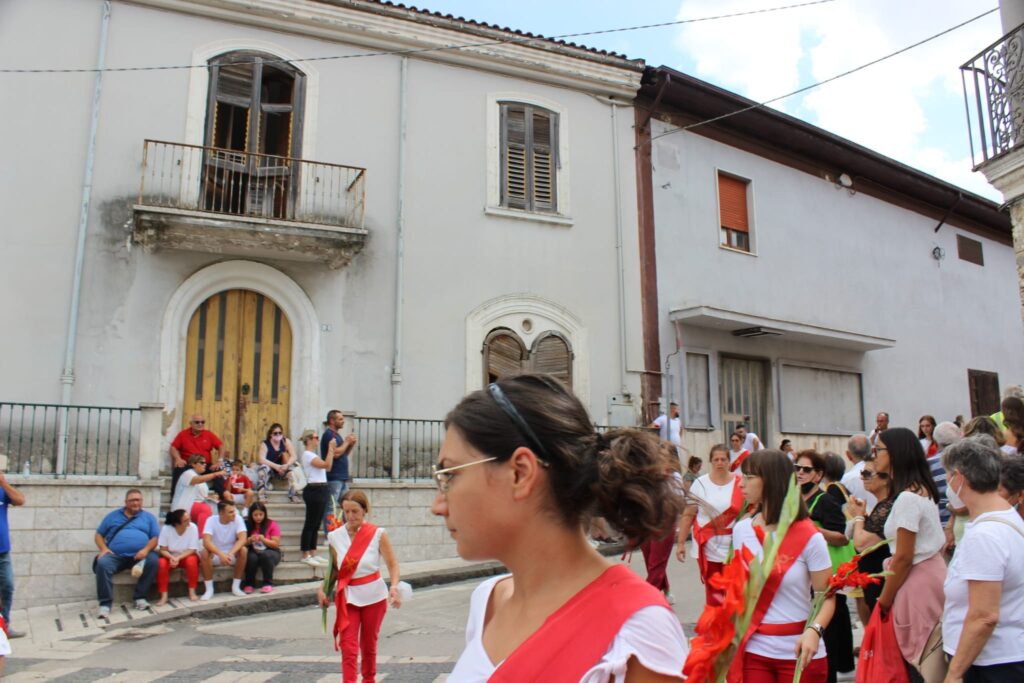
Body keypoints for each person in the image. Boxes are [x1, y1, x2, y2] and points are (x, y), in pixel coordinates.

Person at [434, 374, 688, 681]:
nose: (438, 505)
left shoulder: (638, 631)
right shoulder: (487, 602)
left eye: (449, 475)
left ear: (520, 473)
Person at [731, 450, 834, 683]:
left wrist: (814, 630)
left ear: (770, 480)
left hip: (800, 651)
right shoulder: (741, 530)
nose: (740, 484)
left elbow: (827, 597)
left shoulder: (810, 537)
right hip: (754, 650)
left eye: (748, 477)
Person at [941, 437, 1024, 681]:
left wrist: (954, 673)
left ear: (959, 477)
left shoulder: (986, 534)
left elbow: (984, 616)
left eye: (948, 476)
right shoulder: (1004, 517)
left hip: (991, 663)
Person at [872, 427, 947, 682]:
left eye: (878, 449)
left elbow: (903, 557)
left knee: (923, 660)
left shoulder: (907, 498)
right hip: (929, 575)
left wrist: (884, 600)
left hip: (916, 582)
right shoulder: (921, 489)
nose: (874, 456)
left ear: (894, 454)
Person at [318, 490, 402, 683]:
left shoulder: (377, 534)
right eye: (346, 511)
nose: (350, 516)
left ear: (365, 510)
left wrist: (394, 587)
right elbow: (334, 570)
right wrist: (323, 588)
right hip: (347, 596)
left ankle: (369, 679)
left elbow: (392, 564)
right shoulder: (335, 537)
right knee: (348, 647)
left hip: (374, 595)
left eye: (355, 511)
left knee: (369, 645)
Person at [795, 450, 855, 683]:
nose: (800, 472)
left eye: (806, 469)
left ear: (818, 474)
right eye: (797, 468)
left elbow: (842, 536)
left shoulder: (826, 500)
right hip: (803, 573)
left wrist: (813, 531)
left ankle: (834, 671)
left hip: (825, 571)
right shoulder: (795, 497)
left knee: (829, 629)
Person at [676, 444, 743, 606]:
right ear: (711, 462)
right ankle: (715, 629)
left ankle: (733, 629)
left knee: (735, 595)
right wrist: (681, 543)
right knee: (714, 595)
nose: (720, 463)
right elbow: (688, 514)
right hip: (709, 547)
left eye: (723, 459)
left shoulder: (741, 482)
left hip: (735, 547)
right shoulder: (700, 484)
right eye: (716, 459)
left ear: (729, 461)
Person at [94, 489, 160, 617]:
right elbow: (99, 535)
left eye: (138, 500)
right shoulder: (113, 516)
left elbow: (155, 538)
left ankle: (140, 598)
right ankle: (105, 604)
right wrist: (103, 549)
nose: (136, 503)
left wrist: (145, 550)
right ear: (126, 502)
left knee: (153, 561)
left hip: (140, 556)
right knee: (102, 563)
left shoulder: (148, 517)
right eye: (132, 500)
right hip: (116, 555)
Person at [846, 458, 894, 614]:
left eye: (867, 473)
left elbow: (861, 543)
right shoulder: (882, 505)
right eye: (862, 473)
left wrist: (859, 517)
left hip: (882, 586)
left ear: (885, 478)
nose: (862, 478)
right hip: (874, 583)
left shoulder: (888, 506)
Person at [640, 450, 682, 604]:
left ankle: (646, 598)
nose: (661, 459)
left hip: (664, 523)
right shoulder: (649, 475)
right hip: (647, 522)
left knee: (656, 562)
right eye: (660, 455)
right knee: (649, 559)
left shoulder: (675, 478)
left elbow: (676, 502)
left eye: (665, 456)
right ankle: (667, 590)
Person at [199, 500, 248, 600]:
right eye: (230, 512)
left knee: (243, 550)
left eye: (234, 511)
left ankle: (236, 587)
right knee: (204, 552)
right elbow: (206, 542)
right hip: (216, 554)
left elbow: (243, 539)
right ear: (221, 513)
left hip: (231, 554)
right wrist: (221, 554)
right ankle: (209, 589)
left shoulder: (238, 519)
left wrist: (230, 554)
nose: (234, 514)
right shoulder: (211, 520)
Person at [301, 429, 336, 566]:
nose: (318, 440)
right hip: (314, 489)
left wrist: (330, 451)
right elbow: (327, 465)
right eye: (316, 437)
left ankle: (313, 552)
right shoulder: (307, 454)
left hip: (321, 488)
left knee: (316, 524)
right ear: (309, 439)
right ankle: (305, 553)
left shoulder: (313, 455)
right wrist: (331, 449)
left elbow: (328, 467)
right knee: (310, 523)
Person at [170, 455, 225, 539]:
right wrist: (216, 474)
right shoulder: (188, 473)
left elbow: (200, 495)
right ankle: (201, 537)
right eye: (202, 463)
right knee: (205, 509)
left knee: (222, 507)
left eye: (205, 463)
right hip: (184, 506)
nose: (205, 465)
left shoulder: (199, 476)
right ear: (193, 464)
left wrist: (211, 496)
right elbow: (197, 480)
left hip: (196, 504)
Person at [322, 411, 357, 534]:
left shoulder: (337, 435)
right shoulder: (328, 435)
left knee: (346, 506)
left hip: (342, 477)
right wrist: (347, 441)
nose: (343, 421)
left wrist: (350, 444)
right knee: (331, 507)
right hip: (334, 477)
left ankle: (344, 533)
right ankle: (329, 535)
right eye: (340, 419)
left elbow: (343, 454)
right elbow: (335, 453)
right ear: (332, 421)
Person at [0, 465, 25, 638]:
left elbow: (20, 500)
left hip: (2, 551)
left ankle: (4, 627)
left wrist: (4, 483)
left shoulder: (3, 490)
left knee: (7, 586)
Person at [155, 509, 200, 605]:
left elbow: (192, 549)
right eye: (185, 520)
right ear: (177, 523)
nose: (189, 522)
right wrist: (172, 557)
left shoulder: (193, 527)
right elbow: (163, 549)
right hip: (170, 556)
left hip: (186, 555)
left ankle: (192, 591)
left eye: (189, 519)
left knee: (192, 561)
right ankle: (164, 596)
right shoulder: (166, 529)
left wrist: (178, 558)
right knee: (162, 564)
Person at [169, 414, 222, 494]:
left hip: (204, 465)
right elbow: (173, 448)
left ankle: (222, 497)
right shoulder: (183, 434)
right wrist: (178, 459)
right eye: (197, 422)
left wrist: (219, 461)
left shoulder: (209, 434)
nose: (200, 424)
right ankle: (175, 496)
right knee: (178, 469)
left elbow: (221, 446)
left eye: (202, 422)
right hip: (189, 465)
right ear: (191, 424)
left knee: (218, 470)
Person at [243, 502, 282, 593]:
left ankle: (267, 583)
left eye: (261, 514)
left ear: (265, 514)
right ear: (251, 515)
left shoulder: (272, 524)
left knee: (266, 555)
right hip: (254, 551)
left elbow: (276, 544)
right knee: (250, 557)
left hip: (271, 552)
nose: (258, 517)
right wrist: (249, 540)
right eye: (255, 515)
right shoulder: (247, 525)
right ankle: (249, 584)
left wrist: (264, 540)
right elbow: (240, 543)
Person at [256, 423, 298, 503]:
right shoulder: (265, 444)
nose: (278, 434)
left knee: (292, 469)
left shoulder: (285, 441)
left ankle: (293, 495)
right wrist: (276, 466)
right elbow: (261, 459)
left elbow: (294, 456)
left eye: (280, 433)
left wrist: (287, 465)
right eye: (275, 433)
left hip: (282, 469)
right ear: (271, 434)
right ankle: (261, 495)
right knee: (263, 468)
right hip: (270, 470)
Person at [841, 434, 876, 513]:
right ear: (871, 451)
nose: (862, 478)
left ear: (848, 455)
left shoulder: (846, 479)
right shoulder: (881, 472)